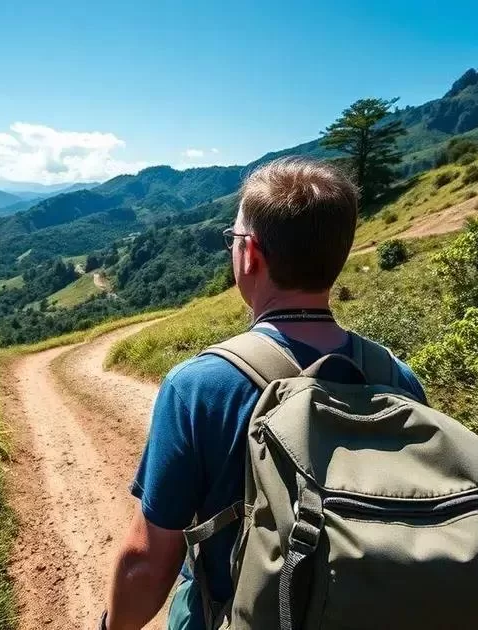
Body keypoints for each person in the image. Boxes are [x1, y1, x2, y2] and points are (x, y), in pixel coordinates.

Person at [101, 157, 427, 630]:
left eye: (233, 240)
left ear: (250, 254)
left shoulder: (197, 387)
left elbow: (149, 561)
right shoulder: (399, 379)